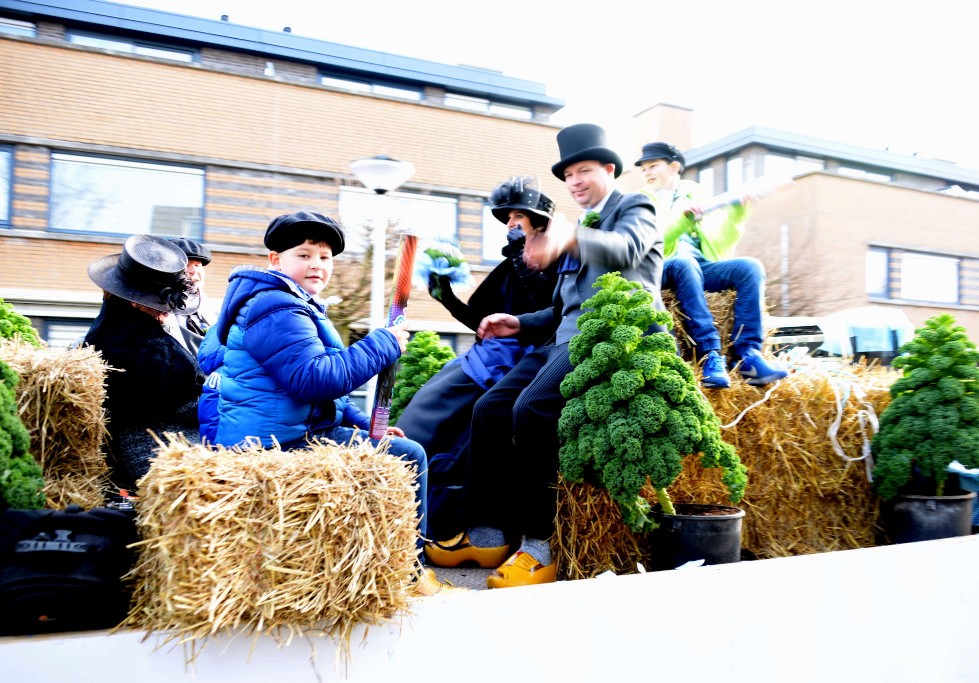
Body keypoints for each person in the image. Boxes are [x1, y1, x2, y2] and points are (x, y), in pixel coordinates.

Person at [425, 124, 663, 588]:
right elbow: (560, 308)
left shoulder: (634, 207)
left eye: (584, 171)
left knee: (530, 410)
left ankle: (540, 545)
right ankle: (487, 533)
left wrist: (571, 237)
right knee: (489, 409)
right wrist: (518, 322)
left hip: (613, 336)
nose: (575, 181)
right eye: (569, 174)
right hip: (563, 339)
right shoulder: (579, 227)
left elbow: (628, 249)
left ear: (609, 170)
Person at [196, 211, 447, 595]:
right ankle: (411, 575)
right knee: (407, 456)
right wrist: (383, 343)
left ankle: (376, 566)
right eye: (304, 254)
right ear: (276, 260)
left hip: (293, 429)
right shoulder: (274, 307)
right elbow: (314, 379)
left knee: (391, 449)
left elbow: (322, 391)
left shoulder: (289, 303)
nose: (317, 264)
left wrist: (362, 423)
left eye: (325, 257)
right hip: (276, 444)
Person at [395, 176, 557, 540]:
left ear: (539, 221)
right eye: (509, 218)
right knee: (425, 414)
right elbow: (484, 324)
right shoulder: (509, 264)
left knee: (436, 421)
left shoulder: (554, 259)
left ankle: (449, 522)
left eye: (520, 217)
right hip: (483, 358)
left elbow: (551, 311)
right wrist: (447, 297)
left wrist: (521, 256)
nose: (512, 224)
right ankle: (410, 511)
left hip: (517, 368)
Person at [635, 141, 788, 388]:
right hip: (662, 268)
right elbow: (653, 244)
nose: (647, 173)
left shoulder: (697, 194)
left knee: (750, 267)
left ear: (674, 167)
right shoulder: (640, 201)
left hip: (700, 266)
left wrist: (739, 211)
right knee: (684, 263)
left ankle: (748, 354)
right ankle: (710, 354)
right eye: (644, 169)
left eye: (653, 166)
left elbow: (720, 241)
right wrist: (684, 220)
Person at [84, 234, 205, 490]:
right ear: (136, 302)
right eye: (161, 304)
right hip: (164, 453)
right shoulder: (150, 347)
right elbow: (190, 406)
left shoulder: (104, 329)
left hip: (130, 448)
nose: (167, 311)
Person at [164, 237, 213, 356]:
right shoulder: (161, 312)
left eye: (197, 265)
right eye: (186, 265)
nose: (193, 271)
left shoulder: (213, 311)